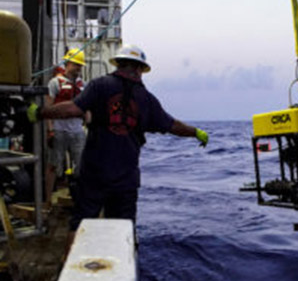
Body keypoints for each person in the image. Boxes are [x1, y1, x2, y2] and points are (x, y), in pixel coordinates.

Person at [28, 45, 209, 236]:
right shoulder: (146, 99)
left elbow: (73, 109)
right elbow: (172, 125)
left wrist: (41, 113)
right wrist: (195, 132)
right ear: (140, 68)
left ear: (119, 64)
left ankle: (67, 263)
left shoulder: (100, 85)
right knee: (123, 228)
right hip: (125, 177)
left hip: (94, 173)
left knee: (80, 224)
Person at [45, 48, 87, 206]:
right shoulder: (55, 83)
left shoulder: (82, 85)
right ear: (67, 64)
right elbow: (48, 108)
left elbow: (87, 109)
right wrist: (50, 130)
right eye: (76, 64)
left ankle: (79, 198)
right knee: (54, 165)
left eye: (80, 65)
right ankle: (48, 200)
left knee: (80, 166)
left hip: (77, 131)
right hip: (59, 129)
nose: (78, 68)